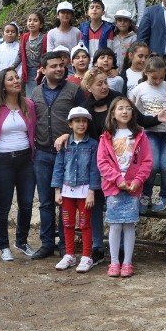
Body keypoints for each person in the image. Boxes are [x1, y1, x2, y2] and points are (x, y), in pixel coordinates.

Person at [30, 50, 81, 259]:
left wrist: (69, 134)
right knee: (45, 201)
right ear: (43, 69)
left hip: (68, 154)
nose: (59, 68)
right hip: (42, 154)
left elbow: (82, 120)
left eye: (61, 65)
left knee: (66, 202)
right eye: (53, 66)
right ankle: (47, 243)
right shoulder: (34, 93)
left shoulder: (74, 90)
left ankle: (64, 244)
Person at [97, 96, 152, 277]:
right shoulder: (106, 136)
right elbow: (102, 162)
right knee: (115, 225)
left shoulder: (139, 135)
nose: (124, 111)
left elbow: (146, 161)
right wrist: (116, 179)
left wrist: (137, 181)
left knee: (129, 225)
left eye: (128, 108)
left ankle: (127, 263)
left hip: (133, 187)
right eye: (120, 108)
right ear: (113, 113)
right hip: (113, 187)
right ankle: (114, 262)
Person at [0, 69, 37, 262]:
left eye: (16, 77)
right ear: (2, 84)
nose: (16, 80)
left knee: (26, 204)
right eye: (11, 79)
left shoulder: (29, 105)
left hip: (25, 160)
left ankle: (22, 241)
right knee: (3, 205)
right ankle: (3, 246)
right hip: (2, 161)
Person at [129, 55, 166, 212]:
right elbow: (132, 110)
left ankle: (165, 196)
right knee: (152, 166)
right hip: (149, 132)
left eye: (161, 77)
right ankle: (145, 195)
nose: (158, 81)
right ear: (146, 72)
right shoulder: (139, 89)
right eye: (154, 78)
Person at [52, 107, 100, 273]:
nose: (81, 124)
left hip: (84, 190)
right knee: (67, 223)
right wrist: (57, 190)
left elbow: (95, 169)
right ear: (70, 124)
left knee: (85, 224)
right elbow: (58, 167)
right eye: (77, 121)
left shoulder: (93, 144)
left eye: (84, 121)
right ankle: (70, 254)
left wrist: (92, 191)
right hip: (67, 190)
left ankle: (87, 256)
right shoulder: (65, 144)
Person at [17, 12, 46, 96]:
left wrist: (42, 68)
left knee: (39, 96)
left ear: (41, 25)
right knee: (30, 97)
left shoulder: (44, 38)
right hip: (27, 71)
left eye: (35, 20)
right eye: (29, 20)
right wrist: (12, 66)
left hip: (40, 71)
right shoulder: (25, 37)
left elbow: (47, 55)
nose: (31, 23)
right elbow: (20, 54)